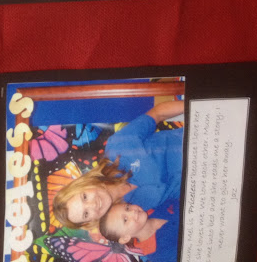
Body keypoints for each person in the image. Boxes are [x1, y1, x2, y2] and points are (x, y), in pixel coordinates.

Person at [53, 99, 184, 229]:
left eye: (85, 197)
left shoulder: (117, 147)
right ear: (91, 221)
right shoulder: (130, 217)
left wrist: (194, 106)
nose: (93, 205)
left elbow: (158, 113)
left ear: (84, 184)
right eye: (86, 213)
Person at [99, 200, 180, 262]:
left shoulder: (158, 205)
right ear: (125, 237)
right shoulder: (158, 254)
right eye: (125, 219)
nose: (132, 211)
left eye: (127, 208)